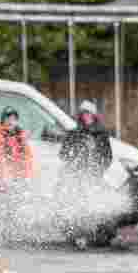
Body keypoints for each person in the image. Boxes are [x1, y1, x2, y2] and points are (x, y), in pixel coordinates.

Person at [58, 100, 115, 247]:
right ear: (80, 116)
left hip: (94, 178)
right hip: (77, 177)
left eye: (89, 113)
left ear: (94, 115)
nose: (87, 116)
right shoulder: (75, 133)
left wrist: (98, 170)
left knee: (96, 207)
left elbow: (108, 156)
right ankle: (79, 236)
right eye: (84, 113)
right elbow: (63, 154)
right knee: (78, 207)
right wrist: (73, 165)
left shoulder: (101, 134)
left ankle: (99, 236)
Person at [0, 107, 35, 242]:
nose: (11, 121)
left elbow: (27, 158)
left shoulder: (20, 136)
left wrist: (26, 176)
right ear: (3, 120)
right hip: (0, 179)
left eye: (13, 119)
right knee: (0, 206)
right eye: (8, 118)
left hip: (17, 178)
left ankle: (12, 234)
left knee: (15, 206)